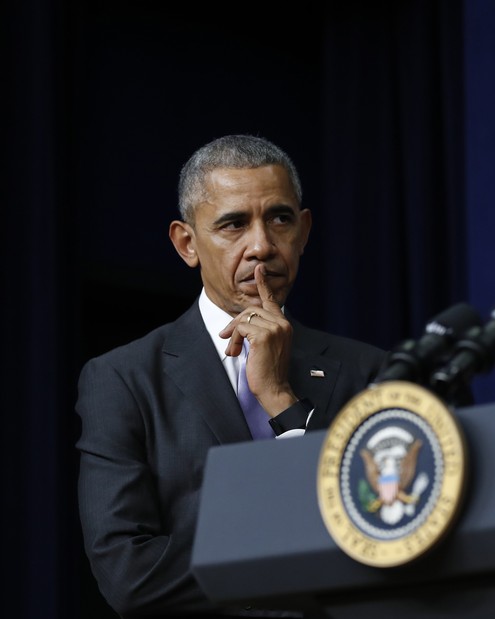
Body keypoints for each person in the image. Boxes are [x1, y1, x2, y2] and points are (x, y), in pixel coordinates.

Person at [76, 135, 387, 617]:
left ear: (304, 232)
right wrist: (296, 560)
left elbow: (383, 530)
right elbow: (128, 574)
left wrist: (283, 402)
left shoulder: (372, 372)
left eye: (280, 219)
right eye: (233, 224)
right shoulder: (122, 379)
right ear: (186, 243)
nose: (261, 245)